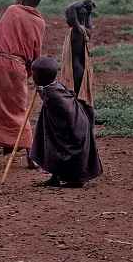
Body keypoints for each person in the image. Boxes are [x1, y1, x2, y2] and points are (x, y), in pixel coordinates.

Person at [0, 0, 46, 161]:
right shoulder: (39, 22)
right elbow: (35, 51)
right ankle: (13, 148)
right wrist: (30, 72)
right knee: (17, 106)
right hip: (19, 66)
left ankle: (22, 148)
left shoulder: (12, 11)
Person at [28, 56, 103, 188]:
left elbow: (53, 100)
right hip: (69, 128)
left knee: (59, 149)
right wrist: (41, 91)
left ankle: (76, 179)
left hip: (73, 131)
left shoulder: (51, 93)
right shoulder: (54, 86)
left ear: (41, 77)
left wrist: (41, 91)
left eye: (34, 74)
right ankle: (55, 176)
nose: (32, 77)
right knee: (50, 145)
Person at [59, 0, 96, 106]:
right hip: (79, 68)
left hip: (77, 69)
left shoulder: (79, 30)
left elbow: (70, 10)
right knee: (79, 94)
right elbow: (70, 10)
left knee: (76, 94)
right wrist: (84, 4)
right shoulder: (81, 31)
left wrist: (84, 6)